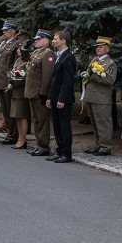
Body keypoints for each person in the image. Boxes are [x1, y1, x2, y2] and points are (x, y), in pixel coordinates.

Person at [80, 36, 118, 156]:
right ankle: (98, 144)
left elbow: (110, 80)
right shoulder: (94, 61)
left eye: (101, 47)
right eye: (97, 47)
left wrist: (94, 76)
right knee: (94, 123)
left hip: (102, 98)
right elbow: (87, 71)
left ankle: (105, 147)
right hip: (91, 96)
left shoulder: (110, 64)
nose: (98, 49)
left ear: (107, 49)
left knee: (103, 124)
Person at [46, 30, 77, 163]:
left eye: (56, 39)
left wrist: (61, 99)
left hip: (63, 99)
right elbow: (54, 79)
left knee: (64, 126)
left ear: (64, 41)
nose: (53, 41)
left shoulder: (69, 57)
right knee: (57, 126)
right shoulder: (58, 55)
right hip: (55, 97)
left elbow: (67, 81)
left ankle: (66, 153)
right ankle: (59, 150)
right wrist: (50, 97)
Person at [25, 30, 55, 156]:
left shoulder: (48, 54)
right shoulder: (37, 52)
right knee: (36, 120)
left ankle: (44, 146)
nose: (36, 41)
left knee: (42, 120)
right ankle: (39, 144)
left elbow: (47, 76)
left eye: (39, 39)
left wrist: (44, 93)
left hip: (39, 93)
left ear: (46, 41)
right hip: (32, 91)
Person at [0, 22, 21, 142]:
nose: (3, 32)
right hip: (1, 81)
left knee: (10, 109)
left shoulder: (16, 44)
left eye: (6, 30)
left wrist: (11, 81)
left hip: (8, 81)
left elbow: (15, 65)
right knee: (5, 110)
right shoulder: (6, 44)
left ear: (13, 31)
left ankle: (13, 135)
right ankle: (10, 133)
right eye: (3, 30)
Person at [8, 40, 32, 149]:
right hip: (15, 91)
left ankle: (23, 139)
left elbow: (26, 76)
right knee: (17, 117)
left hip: (21, 92)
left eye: (20, 49)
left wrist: (16, 81)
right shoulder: (18, 60)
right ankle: (19, 138)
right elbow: (11, 69)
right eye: (17, 49)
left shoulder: (27, 61)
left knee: (22, 116)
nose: (18, 51)